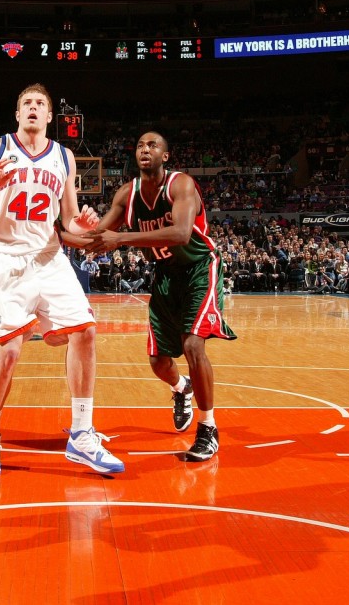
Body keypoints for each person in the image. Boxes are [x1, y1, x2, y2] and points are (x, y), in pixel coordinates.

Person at [0, 83, 124, 478]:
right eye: (26, 104)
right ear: (17, 114)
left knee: (85, 331)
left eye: (40, 104)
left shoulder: (64, 157)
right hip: (3, 256)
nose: (33, 108)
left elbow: (67, 217)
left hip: (49, 256)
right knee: (11, 351)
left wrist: (82, 224)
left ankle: (82, 435)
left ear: (50, 117)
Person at [85, 131, 237, 463]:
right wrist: (57, 228)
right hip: (165, 276)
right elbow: (95, 238)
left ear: (164, 156)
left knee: (193, 345)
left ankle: (208, 428)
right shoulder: (126, 195)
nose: (145, 149)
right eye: (140, 144)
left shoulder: (180, 185)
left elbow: (182, 233)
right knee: (158, 363)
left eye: (153, 145)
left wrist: (121, 240)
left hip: (199, 268)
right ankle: (182, 387)